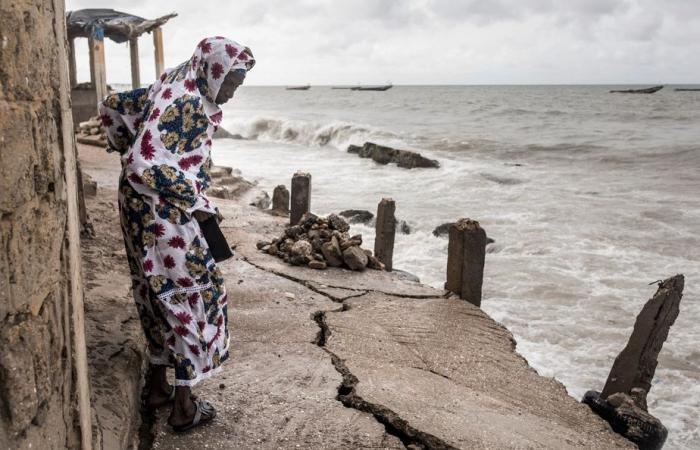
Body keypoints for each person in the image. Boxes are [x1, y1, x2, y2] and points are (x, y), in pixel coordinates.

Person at [99, 37, 254, 432]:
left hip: (138, 208)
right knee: (195, 296)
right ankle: (184, 407)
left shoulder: (176, 81)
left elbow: (115, 105)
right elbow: (141, 162)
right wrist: (196, 198)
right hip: (162, 212)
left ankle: (156, 387)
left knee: (155, 293)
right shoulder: (186, 103)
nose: (234, 92)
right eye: (232, 81)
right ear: (214, 70)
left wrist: (121, 140)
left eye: (239, 83)